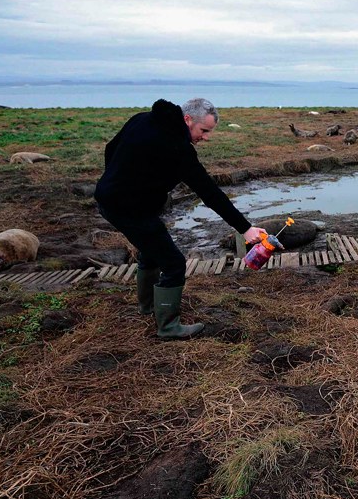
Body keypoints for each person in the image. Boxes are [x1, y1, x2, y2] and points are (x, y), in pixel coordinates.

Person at [95, 98, 266, 339]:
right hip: (129, 209)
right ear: (187, 119)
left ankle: (148, 307)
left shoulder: (142, 119)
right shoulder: (177, 147)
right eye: (203, 131)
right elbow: (209, 192)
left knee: (151, 251)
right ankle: (168, 327)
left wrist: (114, 181)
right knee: (174, 264)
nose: (205, 137)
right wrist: (245, 228)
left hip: (109, 199)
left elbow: (111, 148)